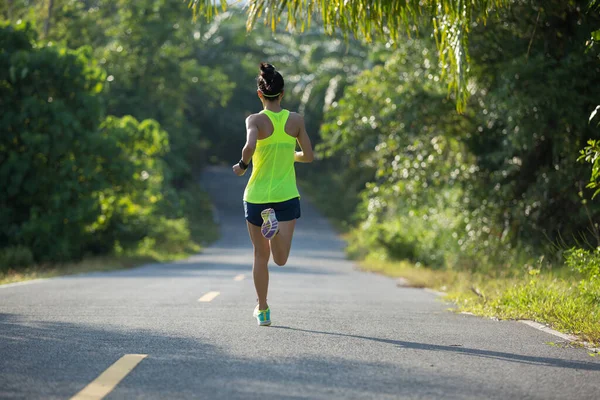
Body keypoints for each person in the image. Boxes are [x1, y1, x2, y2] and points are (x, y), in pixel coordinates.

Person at [232, 62, 314, 326]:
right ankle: (275, 229)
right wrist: (291, 154)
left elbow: (249, 145)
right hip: (286, 196)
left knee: (260, 256)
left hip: (256, 197)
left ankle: (263, 309)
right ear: (282, 94)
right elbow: (309, 156)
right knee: (280, 259)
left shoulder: (254, 120)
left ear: (260, 94)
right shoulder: (296, 121)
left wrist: (243, 166)